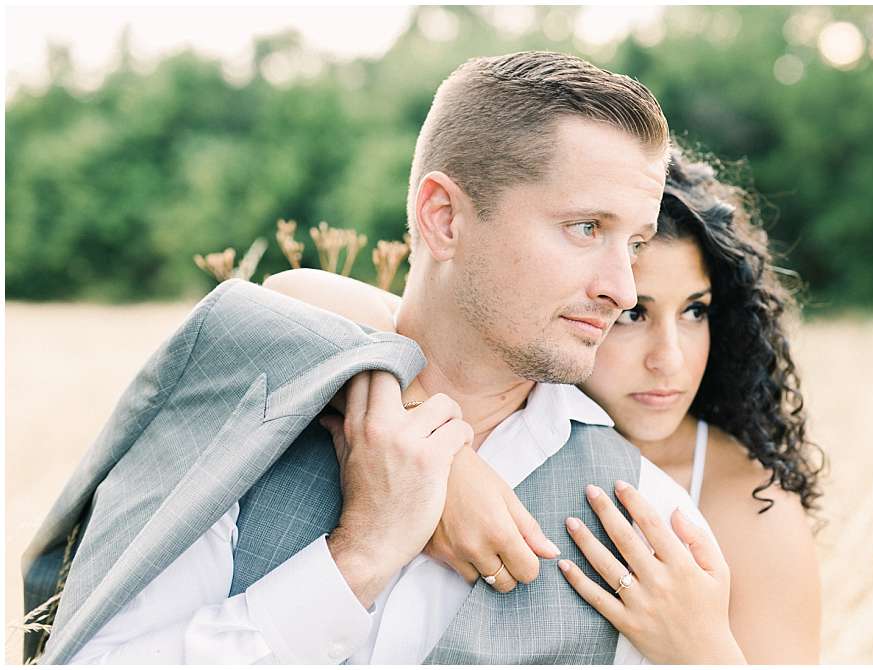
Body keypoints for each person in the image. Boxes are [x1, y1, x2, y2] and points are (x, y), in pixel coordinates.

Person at [43, 51, 744, 664]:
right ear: (444, 218)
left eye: (634, 243)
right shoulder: (247, 413)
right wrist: (357, 559)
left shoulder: (648, 525)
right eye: (586, 228)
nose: (620, 288)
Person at [264, 147, 825, 662]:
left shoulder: (750, 502)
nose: (669, 359)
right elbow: (296, 295)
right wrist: (450, 467)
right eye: (633, 315)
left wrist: (702, 650)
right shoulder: (514, 395)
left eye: (695, 311)